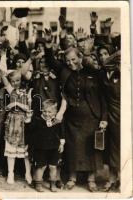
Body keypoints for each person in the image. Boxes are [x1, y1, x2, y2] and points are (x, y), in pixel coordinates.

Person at [57, 47, 108, 192]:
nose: (71, 63)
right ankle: (72, 178)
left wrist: (104, 118)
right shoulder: (66, 73)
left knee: (91, 149)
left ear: (80, 58)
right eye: (67, 61)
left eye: (73, 59)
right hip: (72, 119)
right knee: (73, 149)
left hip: (91, 118)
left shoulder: (93, 73)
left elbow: (102, 98)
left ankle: (91, 180)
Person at [0, 70, 33, 185]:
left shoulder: (28, 91)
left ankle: (28, 173)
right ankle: (10, 173)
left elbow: (29, 108)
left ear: (22, 80)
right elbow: (2, 74)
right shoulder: (10, 90)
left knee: (25, 151)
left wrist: (16, 104)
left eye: (17, 80)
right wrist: (9, 71)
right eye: (12, 81)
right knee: (11, 148)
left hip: (24, 122)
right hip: (12, 122)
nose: (15, 83)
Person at [26, 99, 65, 192]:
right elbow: (30, 130)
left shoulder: (57, 121)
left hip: (54, 148)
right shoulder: (37, 119)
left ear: (55, 112)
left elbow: (62, 133)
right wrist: (28, 119)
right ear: (42, 110)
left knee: (53, 166)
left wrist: (62, 144)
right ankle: (38, 183)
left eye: (49, 112)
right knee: (41, 166)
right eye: (44, 111)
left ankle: (53, 184)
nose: (47, 114)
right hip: (40, 147)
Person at [99, 50, 121, 191]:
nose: (120, 66)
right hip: (113, 116)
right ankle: (113, 179)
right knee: (113, 149)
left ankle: (124, 180)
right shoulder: (108, 74)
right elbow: (105, 100)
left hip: (126, 114)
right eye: (117, 63)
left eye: (122, 63)